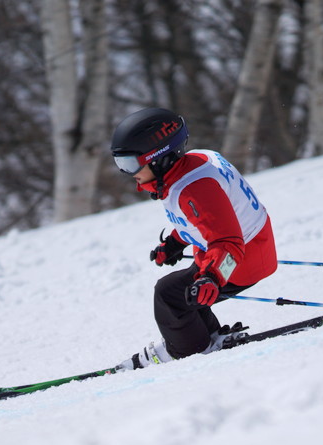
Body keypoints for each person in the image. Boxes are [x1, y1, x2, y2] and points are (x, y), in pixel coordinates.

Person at [110, 107, 277, 369]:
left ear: (158, 158)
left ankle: (189, 349)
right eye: (120, 164)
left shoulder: (194, 190)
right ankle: (208, 337)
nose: (128, 173)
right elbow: (206, 220)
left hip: (240, 259)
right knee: (188, 288)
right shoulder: (197, 163)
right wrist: (177, 241)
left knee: (169, 294)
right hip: (251, 245)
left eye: (130, 164)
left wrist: (211, 277)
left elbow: (228, 243)